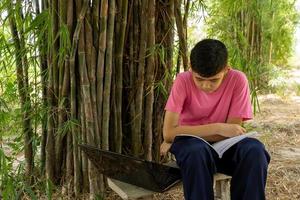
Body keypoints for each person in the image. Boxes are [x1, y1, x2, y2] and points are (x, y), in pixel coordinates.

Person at [160, 39, 270, 200]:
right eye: (199, 79)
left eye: (213, 80)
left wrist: (177, 134)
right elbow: (168, 132)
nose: (205, 85)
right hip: (192, 150)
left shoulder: (238, 80)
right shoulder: (183, 80)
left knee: (255, 150)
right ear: (191, 68)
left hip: (223, 148)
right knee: (197, 151)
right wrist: (218, 128)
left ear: (226, 69)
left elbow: (232, 131)